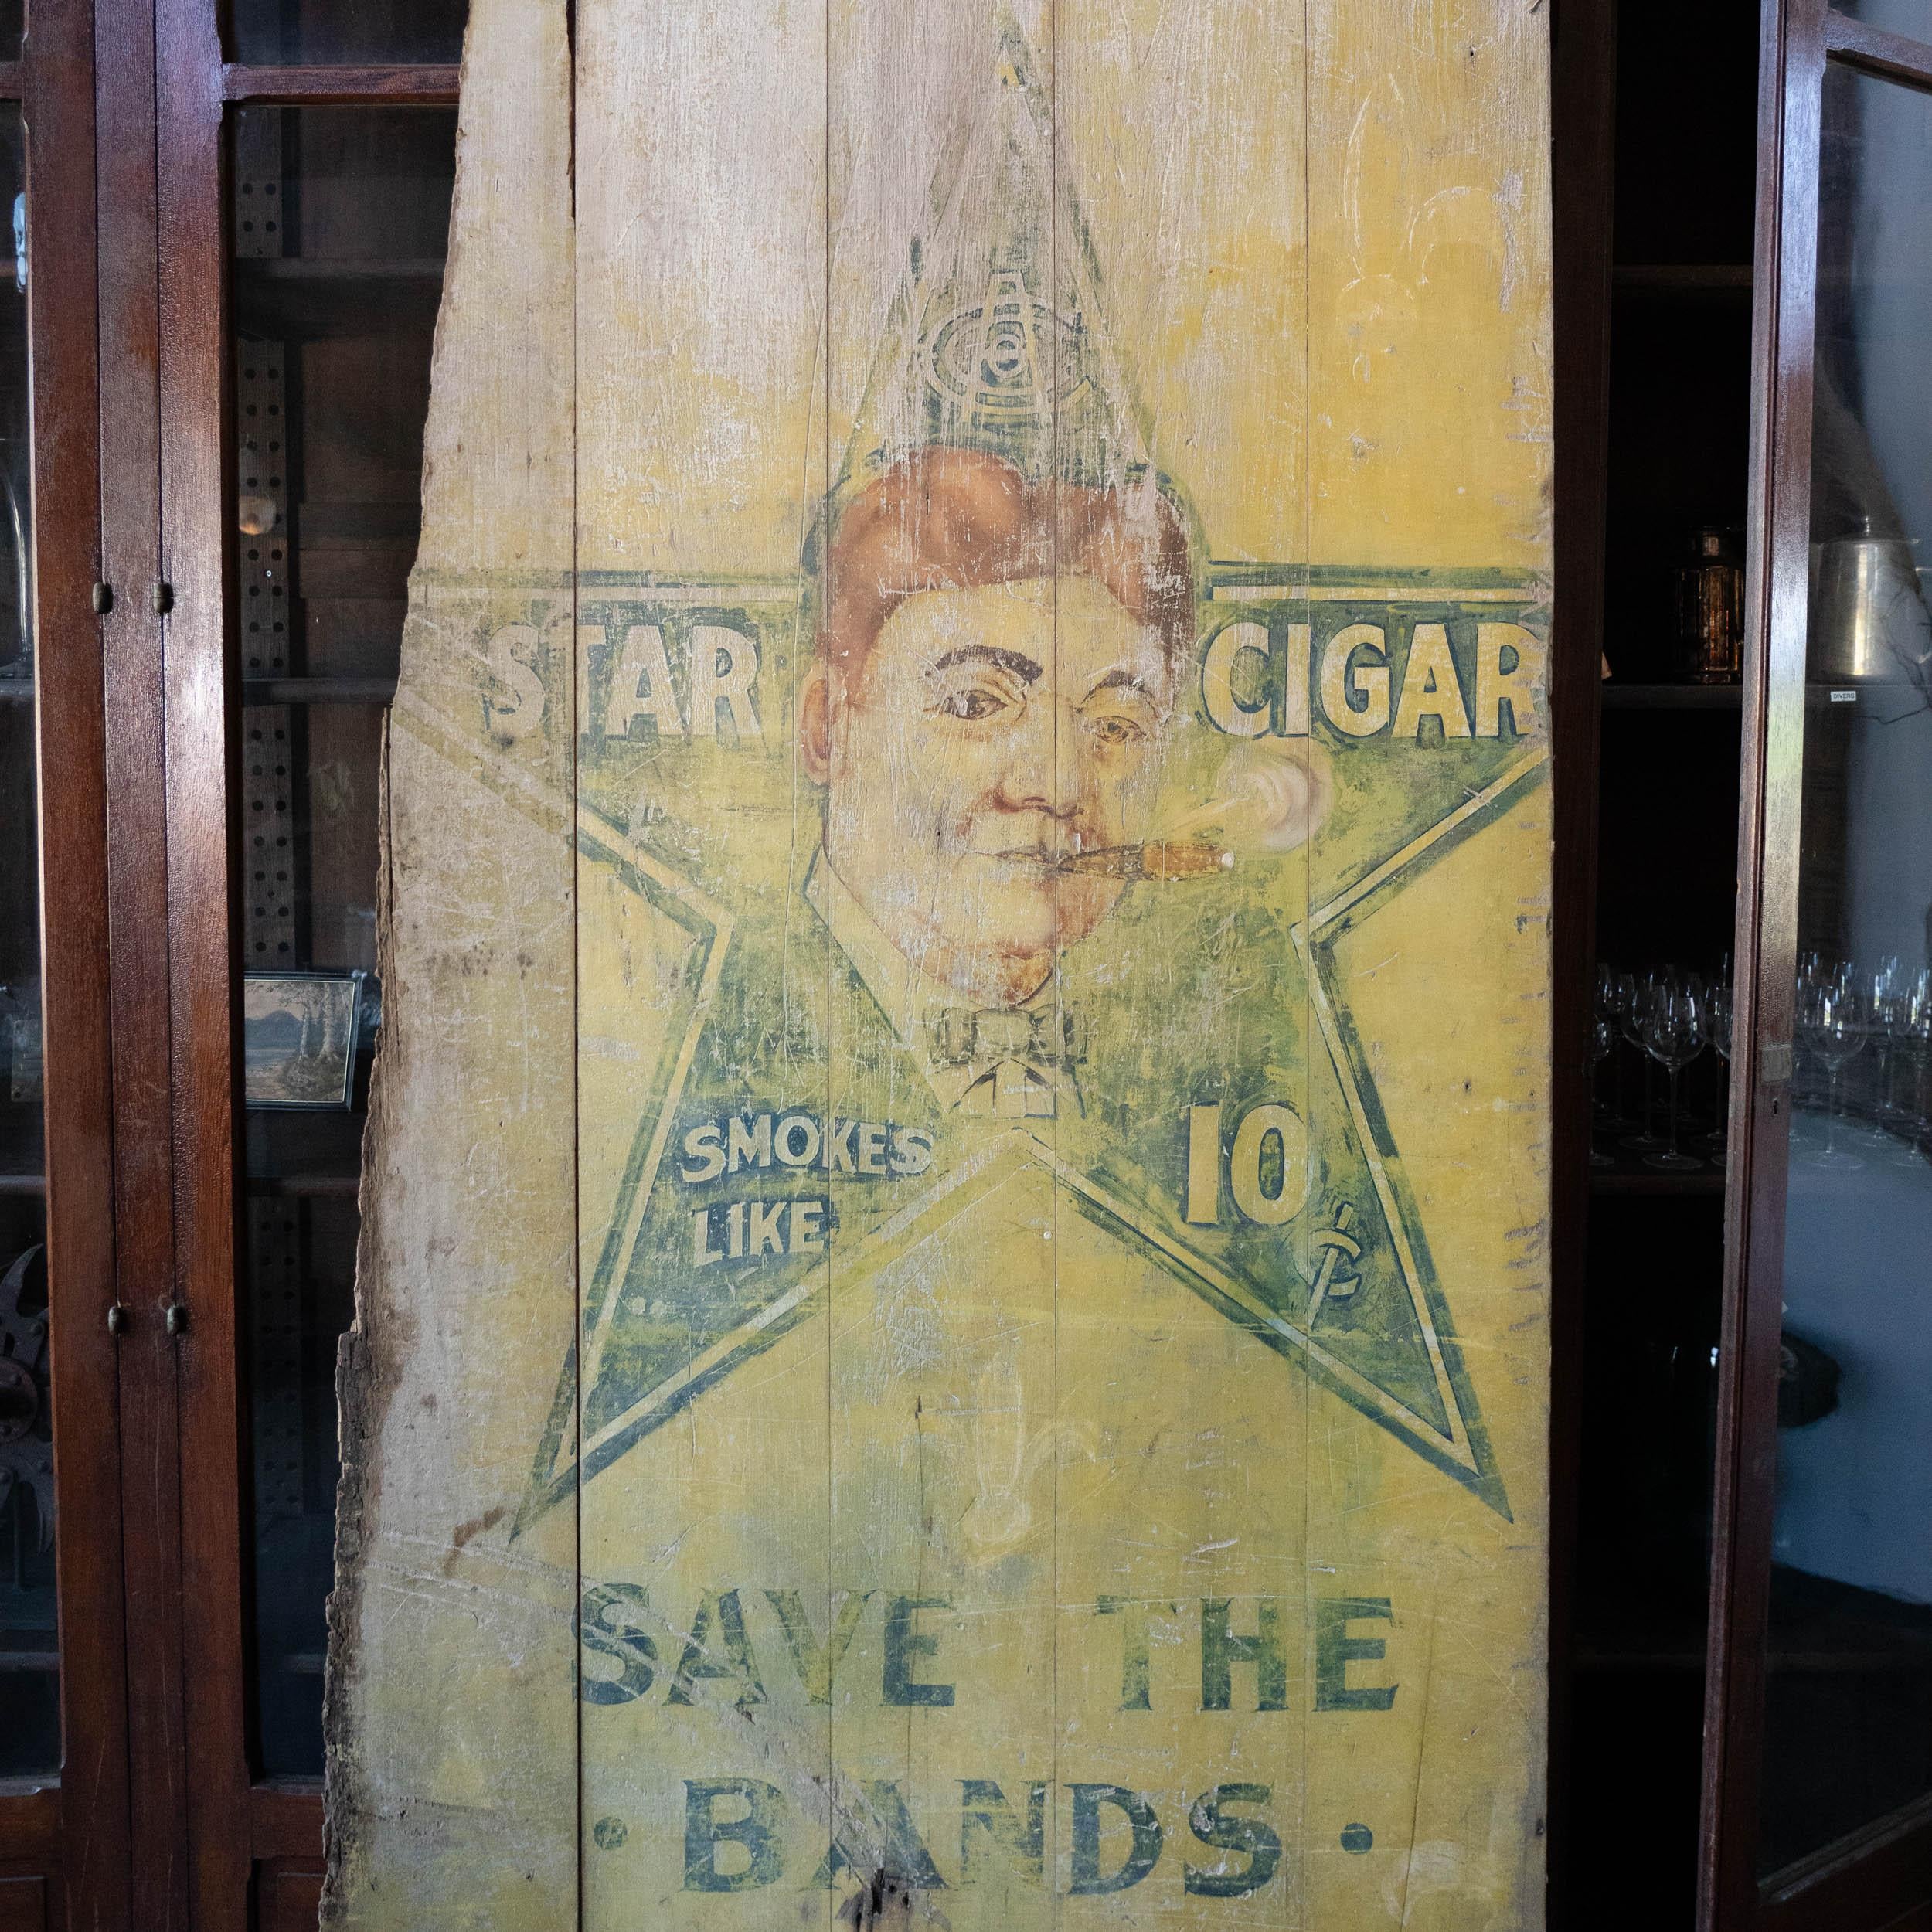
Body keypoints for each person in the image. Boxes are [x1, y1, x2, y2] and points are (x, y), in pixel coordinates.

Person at [798, 444, 1195, 1117]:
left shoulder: (1190, 1056)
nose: (1060, 783)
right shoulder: (697, 1034)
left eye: (1116, 725)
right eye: (975, 704)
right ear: (828, 730)